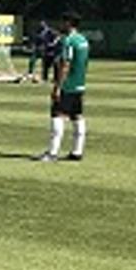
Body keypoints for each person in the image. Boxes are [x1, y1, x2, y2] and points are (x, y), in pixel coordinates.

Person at [36, 14, 90, 162]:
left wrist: (57, 87)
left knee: (57, 115)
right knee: (77, 116)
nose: (61, 24)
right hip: (79, 84)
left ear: (68, 23)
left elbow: (65, 65)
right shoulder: (83, 40)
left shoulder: (68, 40)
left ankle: (52, 153)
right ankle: (77, 152)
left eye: (63, 21)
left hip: (67, 85)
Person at [30, 19, 61, 85]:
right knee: (45, 65)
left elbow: (57, 37)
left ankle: (56, 79)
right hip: (46, 51)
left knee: (55, 64)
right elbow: (38, 41)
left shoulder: (51, 31)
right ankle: (44, 78)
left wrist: (53, 43)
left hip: (53, 51)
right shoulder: (39, 32)